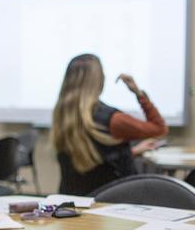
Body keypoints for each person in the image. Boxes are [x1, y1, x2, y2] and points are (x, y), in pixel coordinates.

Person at [52, 54, 167, 195]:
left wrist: (130, 152)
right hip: (111, 203)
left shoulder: (62, 116)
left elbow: (92, 162)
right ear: (100, 80)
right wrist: (138, 93)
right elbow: (159, 128)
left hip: (73, 202)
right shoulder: (113, 119)